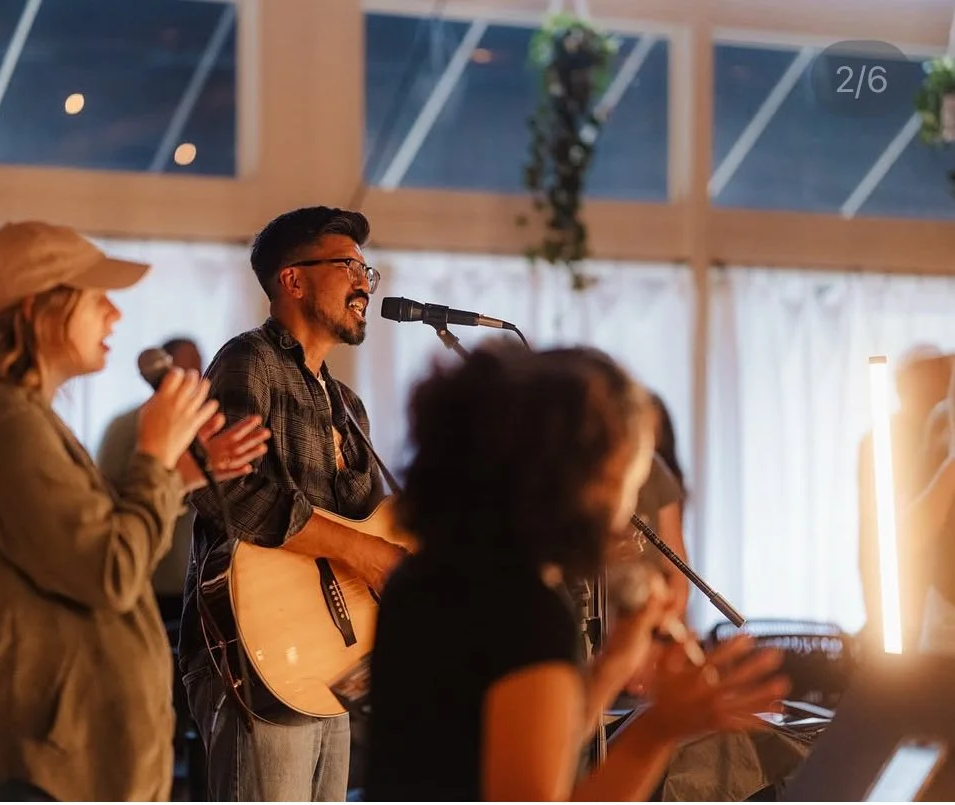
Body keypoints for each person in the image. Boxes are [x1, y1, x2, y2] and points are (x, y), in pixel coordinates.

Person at [0, 221, 270, 801]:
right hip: (28, 771)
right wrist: (154, 455)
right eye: (97, 297)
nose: (114, 314)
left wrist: (179, 475)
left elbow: (88, 542)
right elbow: (110, 570)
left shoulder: (16, 414)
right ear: (40, 308)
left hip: (51, 763)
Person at [365, 344, 789, 801]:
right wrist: (657, 731)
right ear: (587, 479)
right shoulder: (528, 610)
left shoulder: (426, 577)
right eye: (630, 475)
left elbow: (531, 741)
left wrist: (614, 663)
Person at [180, 206, 404, 801]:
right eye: (348, 266)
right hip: (257, 652)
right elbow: (225, 491)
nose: (364, 284)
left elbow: (368, 526)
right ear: (293, 280)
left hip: (328, 657)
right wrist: (363, 551)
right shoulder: (248, 362)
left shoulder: (348, 405)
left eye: (366, 271)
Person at [96, 336, 204, 623]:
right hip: (145, 572)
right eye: (185, 367)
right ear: (161, 371)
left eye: (199, 367)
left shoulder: (201, 425)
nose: (194, 375)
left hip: (191, 574)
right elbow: (106, 492)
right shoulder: (124, 426)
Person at [857, 344, 950, 651]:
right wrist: (879, 614)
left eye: (941, 375)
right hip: (902, 597)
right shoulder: (883, 441)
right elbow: (879, 533)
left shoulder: (942, 435)